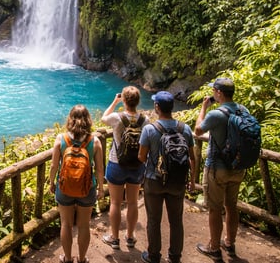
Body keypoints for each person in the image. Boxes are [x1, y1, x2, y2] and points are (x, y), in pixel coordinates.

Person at [138, 91, 196, 263]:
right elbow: (192, 157)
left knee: (154, 220)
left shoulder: (149, 129)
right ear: (172, 107)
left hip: (154, 180)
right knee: (176, 220)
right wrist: (192, 180)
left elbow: (141, 157)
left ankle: (154, 255)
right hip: (177, 181)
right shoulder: (185, 129)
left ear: (157, 107)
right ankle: (175, 256)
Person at [194, 77, 245, 261]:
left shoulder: (216, 114)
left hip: (218, 168)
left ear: (219, 93)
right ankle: (229, 243)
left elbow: (198, 130)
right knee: (231, 206)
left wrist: (203, 108)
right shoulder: (242, 110)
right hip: (238, 166)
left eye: (214, 91)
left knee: (215, 209)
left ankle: (214, 247)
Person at [48, 104, 105, 263]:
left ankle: (67, 258)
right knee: (84, 226)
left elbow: (54, 166)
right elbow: (100, 169)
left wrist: (51, 182)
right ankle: (81, 259)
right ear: (88, 120)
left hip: (64, 188)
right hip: (87, 188)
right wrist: (100, 188)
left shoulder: (61, 139)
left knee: (65, 224)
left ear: (70, 119)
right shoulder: (95, 141)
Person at [100, 86, 147, 250]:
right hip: (137, 164)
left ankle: (114, 238)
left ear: (125, 101)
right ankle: (130, 236)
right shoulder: (145, 120)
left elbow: (103, 117)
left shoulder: (117, 118)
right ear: (138, 101)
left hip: (116, 163)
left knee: (115, 202)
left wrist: (115, 101)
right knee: (133, 202)